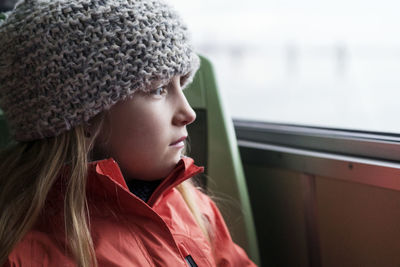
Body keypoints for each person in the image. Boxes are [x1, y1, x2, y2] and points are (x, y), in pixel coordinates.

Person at [0, 0, 257, 266]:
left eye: (182, 84)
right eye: (158, 89)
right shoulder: (27, 252)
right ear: (86, 118)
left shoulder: (194, 209)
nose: (188, 113)